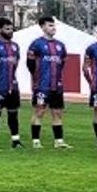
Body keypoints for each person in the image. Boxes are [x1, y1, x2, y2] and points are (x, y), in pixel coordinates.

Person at [26, 16, 71, 149]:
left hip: (56, 85)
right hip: (42, 85)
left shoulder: (60, 45)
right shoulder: (36, 44)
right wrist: (37, 77)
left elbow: (62, 63)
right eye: (50, 25)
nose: (53, 28)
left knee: (57, 113)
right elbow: (30, 63)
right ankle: (36, 141)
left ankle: (59, 141)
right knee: (39, 111)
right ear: (43, 27)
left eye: (54, 25)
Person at [0, 17, 23, 149]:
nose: (10, 31)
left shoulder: (15, 46)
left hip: (12, 85)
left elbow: (15, 63)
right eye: (7, 29)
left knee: (13, 113)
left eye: (11, 28)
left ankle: (16, 140)